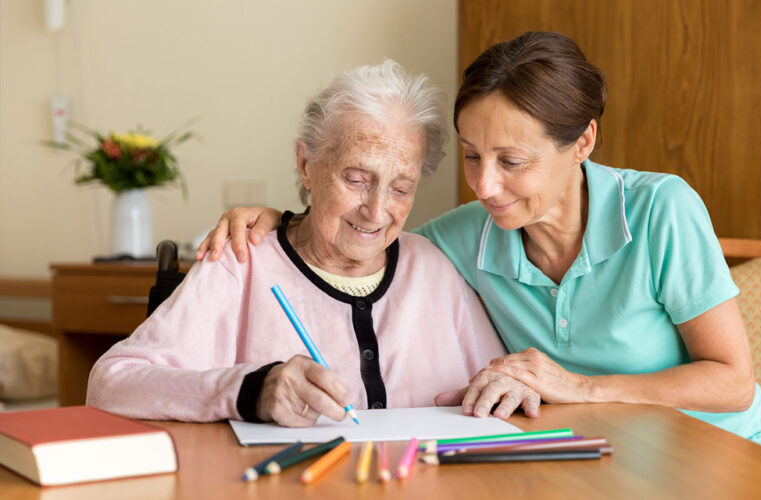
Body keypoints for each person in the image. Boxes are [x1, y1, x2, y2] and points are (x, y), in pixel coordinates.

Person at [196, 31, 761, 452]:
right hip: (595, 466)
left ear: (582, 142)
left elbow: (732, 383)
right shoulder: (466, 235)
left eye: (511, 161)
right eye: (473, 156)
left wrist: (576, 386)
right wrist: (285, 215)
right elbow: (365, 242)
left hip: (723, 455)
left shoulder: (662, 210)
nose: (485, 185)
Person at [86, 60, 510, 427]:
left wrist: (508, 387)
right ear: (306, 166)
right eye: (357, 180)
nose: (376, 210)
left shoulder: (433, 268)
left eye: (401, 188)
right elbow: (110, 383)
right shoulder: (241, 259)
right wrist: (250, 389)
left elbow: (502, 379)